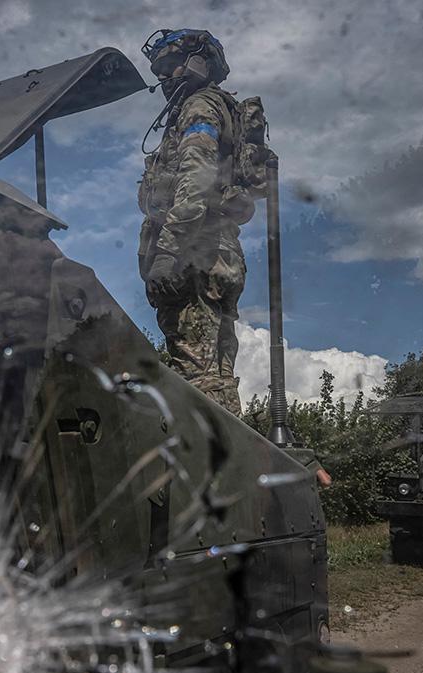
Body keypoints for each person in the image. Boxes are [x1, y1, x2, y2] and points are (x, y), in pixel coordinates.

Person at [137, 29, 252, 417]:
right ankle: (240, 466)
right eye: (161, 71)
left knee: (197, 379)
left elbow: (196, 179)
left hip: (194, 253)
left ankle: (217, 472)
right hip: (220, 252)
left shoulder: (199, 107)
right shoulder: (223, 109)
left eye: (172, 67)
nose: (166, 78)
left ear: (201, 63)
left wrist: (168, 250)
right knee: (216, 375)